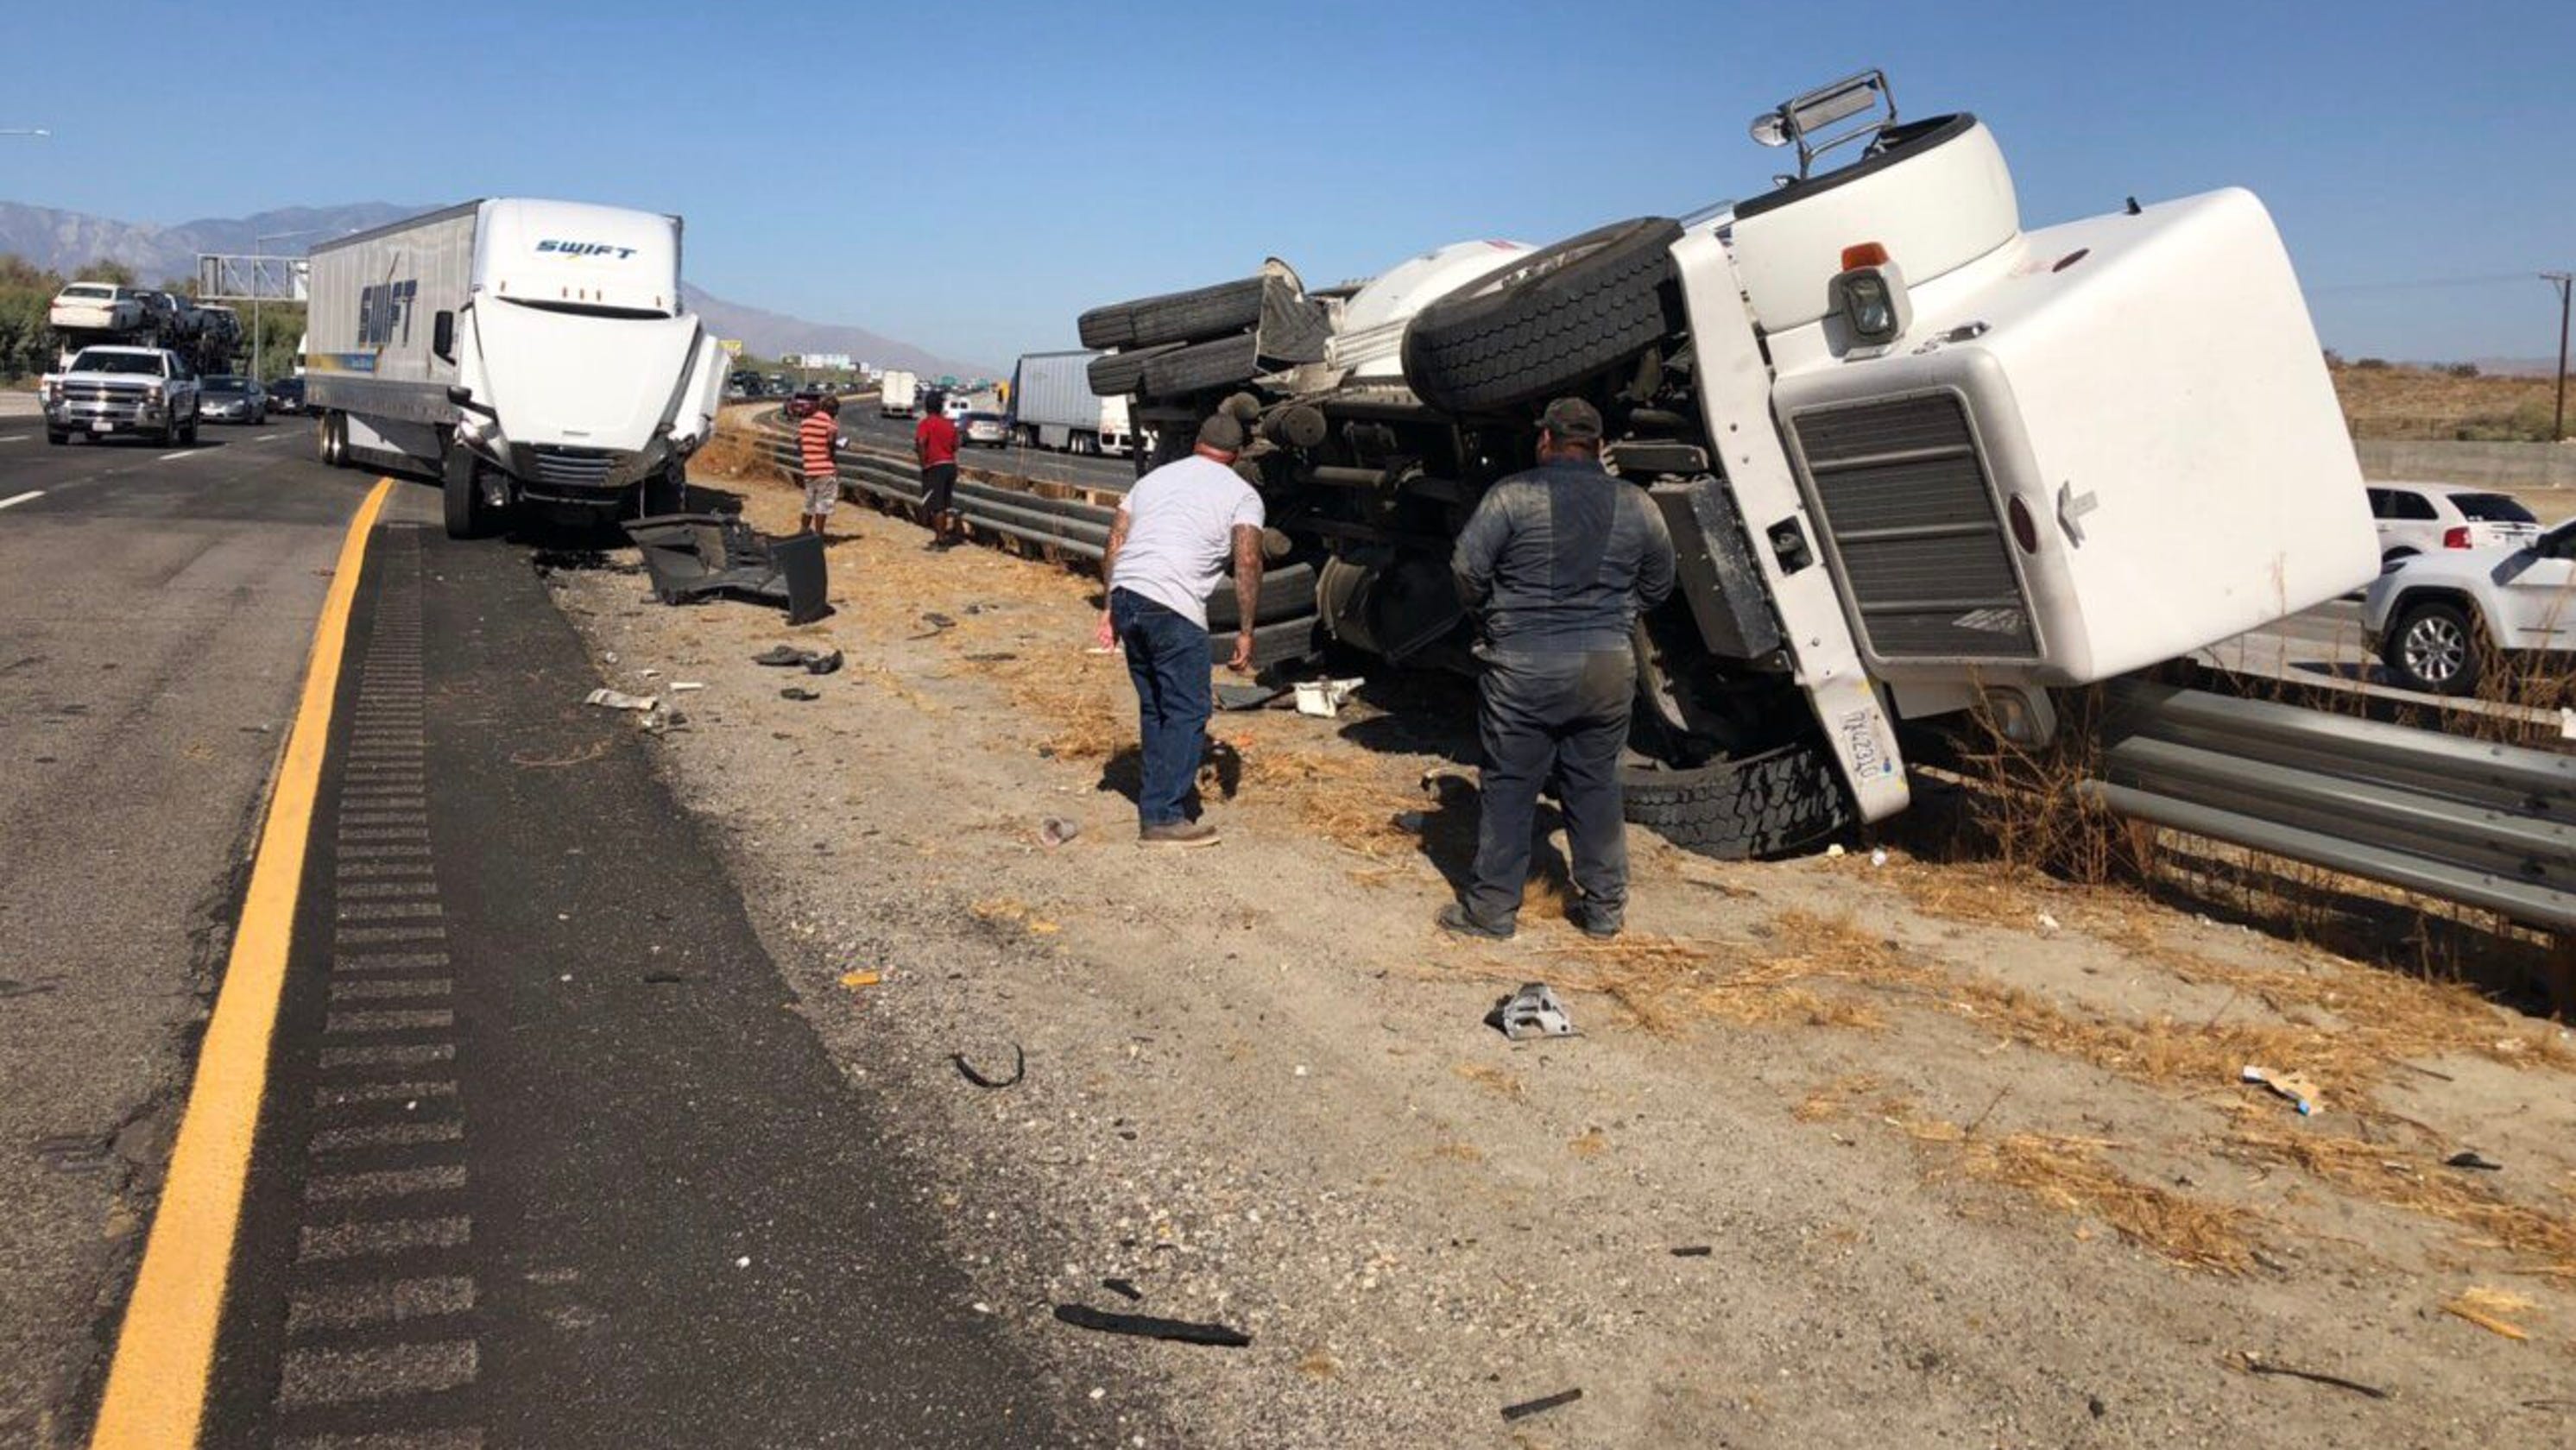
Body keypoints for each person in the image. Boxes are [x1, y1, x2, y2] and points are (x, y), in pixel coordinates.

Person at [1443, 397, 1674, 940]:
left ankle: (1492, 910)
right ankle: (1604, 910)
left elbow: (1466, 568)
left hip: (1524, 665)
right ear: (1600, 446)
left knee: (1510, 785)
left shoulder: (1513, 495)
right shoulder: (1638, 505)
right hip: (1606, 667)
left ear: (1544, 439)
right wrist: (1614, 616)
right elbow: (1659, 585)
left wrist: (1492, 617)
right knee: (1595, 783)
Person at [1098, 414, 1266, 848]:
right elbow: (1247, 561)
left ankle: (1155, 798)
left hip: (1128, 594)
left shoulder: (1153, 480)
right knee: (1189, 710)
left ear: (1197, 442)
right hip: (1172, 604)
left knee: (1156, 704)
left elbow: (1115, 540)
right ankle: (1164, 817)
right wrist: (1246, 630)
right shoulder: (1242, 495)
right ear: (1238, 454)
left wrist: (1109, 606)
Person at [914, 392, 962, 550]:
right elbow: (956, 446)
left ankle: (940, 541)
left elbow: (921, 442)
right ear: (941, 407)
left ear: (927, 407)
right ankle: (940, 537)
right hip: (950, 467)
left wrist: (923, 464)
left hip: (935, 467)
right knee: (943, 504)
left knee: (937, 506)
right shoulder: (950, 424)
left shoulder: (925, 424)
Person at [797, 392, 842, 538]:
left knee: (809, 504)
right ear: (833, 410)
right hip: (825, 469)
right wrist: (835, 449)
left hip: (809, 468)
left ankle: (802, 533)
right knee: (823, 505)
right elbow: (829, 449)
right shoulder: (830, 425)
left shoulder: (805, 423)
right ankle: (818, 537)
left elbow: (800, 444)